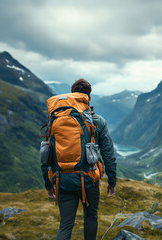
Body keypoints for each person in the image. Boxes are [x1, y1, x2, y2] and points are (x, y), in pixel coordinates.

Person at [41, 79, 117, 240]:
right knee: (90, 218)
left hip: (62, 180)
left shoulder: (54, 120)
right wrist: (112, 180)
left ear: (72, 93)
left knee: (65, 224)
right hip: (89, 180)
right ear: (88, 97)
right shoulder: (97, 121)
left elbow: (46, 154)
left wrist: (48, 184)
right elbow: (108, 154)